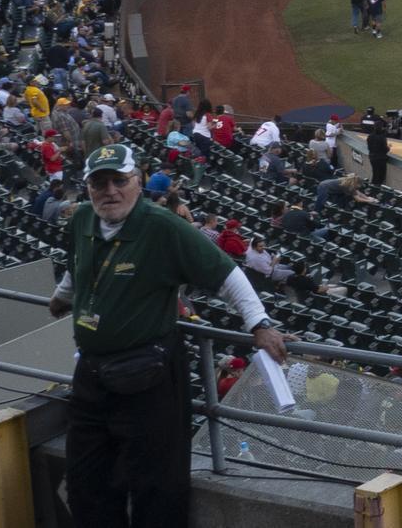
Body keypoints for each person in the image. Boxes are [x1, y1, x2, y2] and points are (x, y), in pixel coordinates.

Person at [51, 143, 288, 528]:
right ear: (88, 187)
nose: (110, 190)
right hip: (92, 376)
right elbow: (77, 265)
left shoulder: (163, 226)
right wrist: (62, 297)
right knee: (85, 483)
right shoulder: (82, 220)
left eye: (119, 181)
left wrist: (259, 324)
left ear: (137, 182)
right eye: (99, 183)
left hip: (148, 375)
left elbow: (228, 276)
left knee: (156, 487)